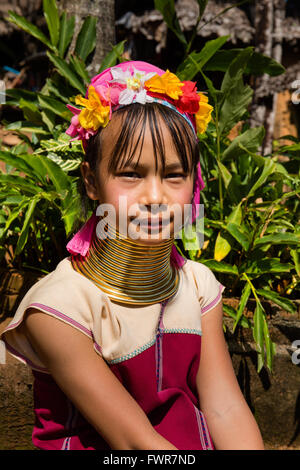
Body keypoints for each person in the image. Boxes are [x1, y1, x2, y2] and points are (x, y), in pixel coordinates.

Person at [0, 61, 264, 451]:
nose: (155, 197)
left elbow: (224, 406)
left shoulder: (196, 286)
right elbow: (133, 441)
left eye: (174, 175)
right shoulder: (59, 307)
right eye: (131, 174)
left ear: (194, 182)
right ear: (91, 180)